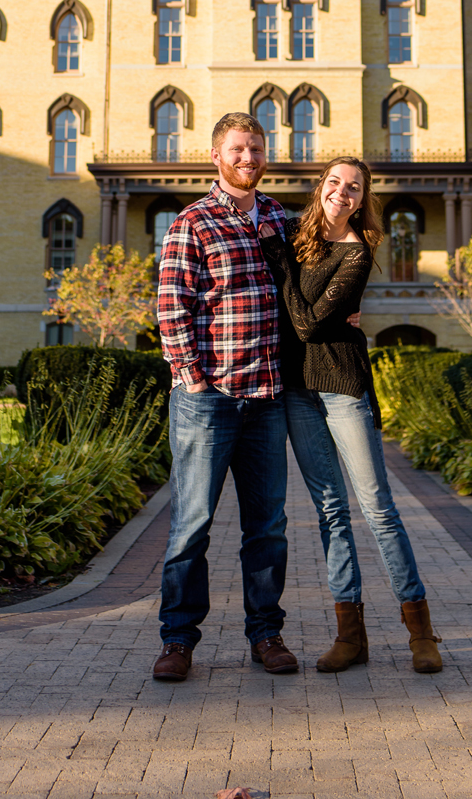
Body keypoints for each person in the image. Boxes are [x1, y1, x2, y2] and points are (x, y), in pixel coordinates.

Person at [268, 157, 444, 674]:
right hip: (297, 391)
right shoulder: (289, 234)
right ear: (320, 187)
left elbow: (304, 324)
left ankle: (420, 634)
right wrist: (287, 269)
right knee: (330, 513)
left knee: (378, 509)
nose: (343, 194)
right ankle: (351, 637)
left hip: (342, 386)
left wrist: (283, 271)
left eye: (355, 189)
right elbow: (297, 315)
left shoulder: (358, 253)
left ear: (363, 200)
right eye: (335, 183)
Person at [153, 112, 296, 682]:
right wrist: (190, 377)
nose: (249, 158)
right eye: (238, 149)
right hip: (208, 399)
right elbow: (171, 306)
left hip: (267, 397)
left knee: (268, 527)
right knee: (191, 524)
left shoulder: (281, 221)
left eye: (256, 148)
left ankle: (267, 634)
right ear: (217, 155)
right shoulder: (192, 222)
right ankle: (178, 639)